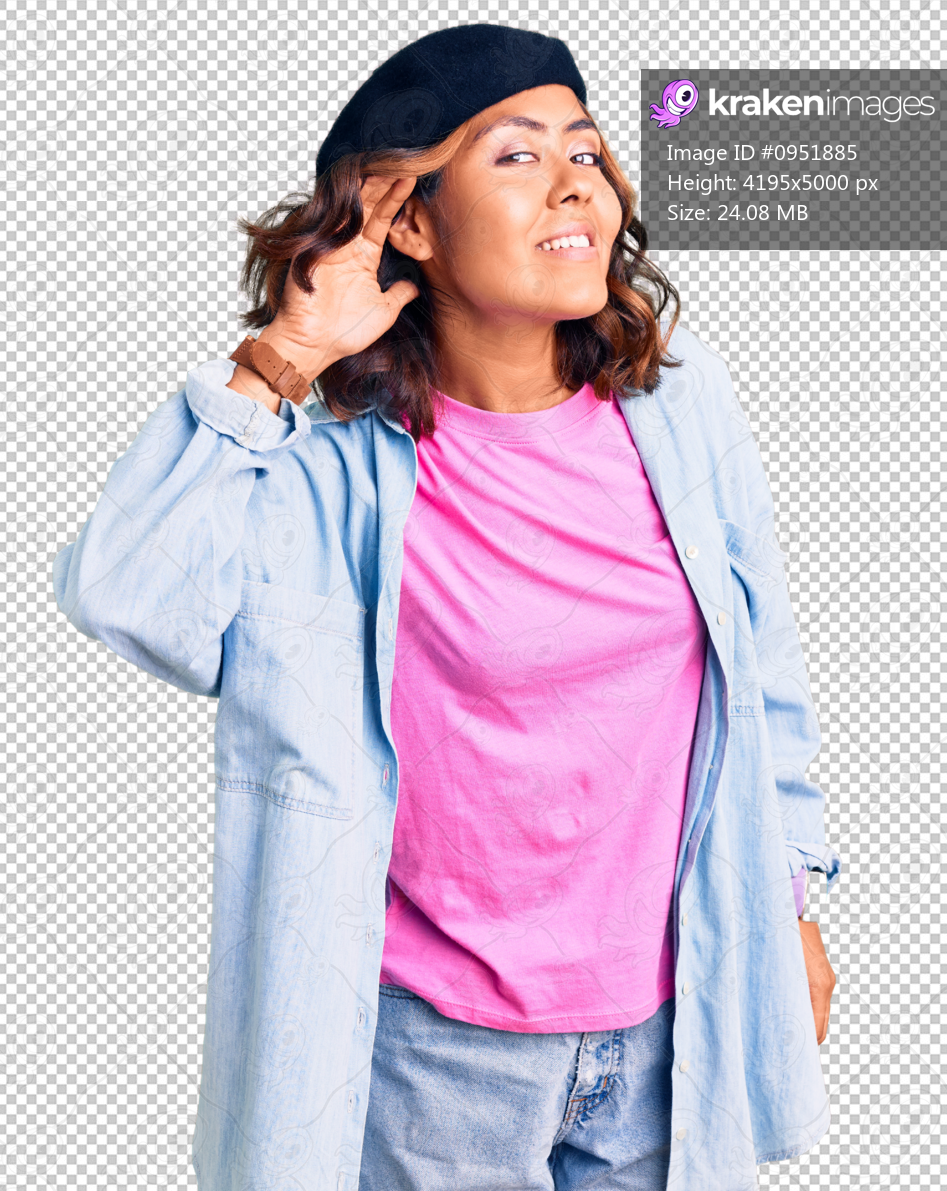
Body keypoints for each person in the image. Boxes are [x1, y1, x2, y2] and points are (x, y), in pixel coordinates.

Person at [51, 23, 841, 1191]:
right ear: (407, 219)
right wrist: (286, 352)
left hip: (677, 1015)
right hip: (434, 1061)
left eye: (586, 147)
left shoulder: (681, 406)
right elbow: (126, 595)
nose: (577, 178)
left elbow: (758, 667)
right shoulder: (329, 481)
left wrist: (792, 900)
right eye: (516, 156)